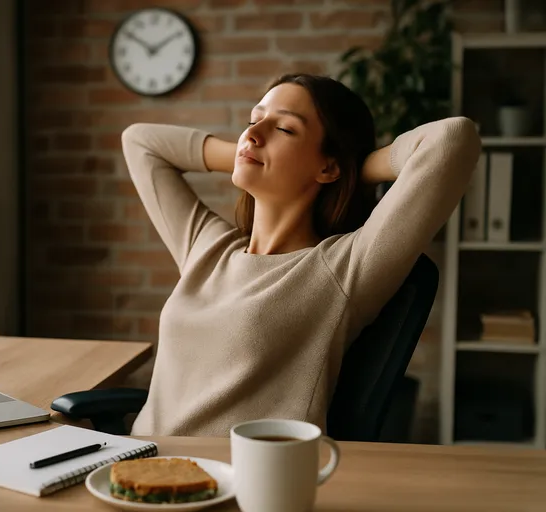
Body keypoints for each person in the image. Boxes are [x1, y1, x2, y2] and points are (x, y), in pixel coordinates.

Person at [121, 73, 481, 437]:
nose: (254, 131)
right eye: (254, 119)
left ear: (328, 166)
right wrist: (250, 150)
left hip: (235, 481)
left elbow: (451, 139)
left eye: (286, 129)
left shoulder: (340, 270)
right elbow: (139, 142)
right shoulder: (208, 248)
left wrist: (350, 169)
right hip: (137, 465)